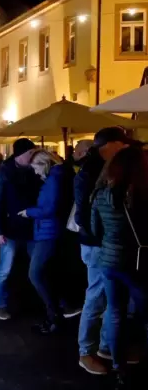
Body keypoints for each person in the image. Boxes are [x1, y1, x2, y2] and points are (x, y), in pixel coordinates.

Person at [75, 128, 140, 375]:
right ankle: (86, 351)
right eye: (123, 146)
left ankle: (107, 347)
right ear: (110, 145)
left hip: (111, 246)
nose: (127, 151)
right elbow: (85, 217)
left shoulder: (110, 169)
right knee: (97, 297)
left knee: (111, 302)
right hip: (98, 246)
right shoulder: (91, 172)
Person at [91, 146, 148, 387]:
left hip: (109, 261)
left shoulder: (101, 193)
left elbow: (95, 230)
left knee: (115, 312)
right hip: (138, 263)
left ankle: (118, 366)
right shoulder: (143, 193)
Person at [19, 150, 75, 334]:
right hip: (49, 230)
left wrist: (29, 212)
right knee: (46, 272)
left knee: (35, 274)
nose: (35, 172)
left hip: (49, 231)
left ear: (45, 163)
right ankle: (60, 309)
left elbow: (50, 208)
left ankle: (55, 315)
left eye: (35, 167)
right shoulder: (59, 176)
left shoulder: (55, 179)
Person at [0, 138, 42, 321]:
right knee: (5, 269)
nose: (32, 156)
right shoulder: (4, 173)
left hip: (31, 227)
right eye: (30, 153)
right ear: (20, 154)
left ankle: (46, 301)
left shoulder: (34, 171)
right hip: (10, 228)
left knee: (38, 266)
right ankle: (1, 304)